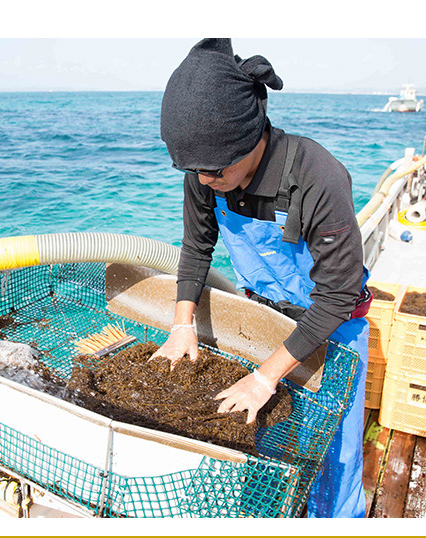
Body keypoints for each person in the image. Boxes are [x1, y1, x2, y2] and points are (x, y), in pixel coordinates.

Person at [153, 38, 372, 518]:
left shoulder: (319, 177)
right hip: (261, 318)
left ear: (250, 139)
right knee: (271, 441)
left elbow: (339, 295)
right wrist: (181, 323)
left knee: (335, 455)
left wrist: (265, 375)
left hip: (333, 326)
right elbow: (196, 248)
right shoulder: (205, 172)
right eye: (192, 170)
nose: (204, 180)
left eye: (213, 169)